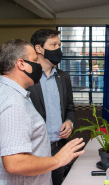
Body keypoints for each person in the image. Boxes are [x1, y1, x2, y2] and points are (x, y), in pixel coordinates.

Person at [0, 39, 85, 185]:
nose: (38, 65)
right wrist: (58, 159)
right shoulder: (12, 103)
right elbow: (15, 163)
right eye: (34, 60)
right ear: (21, 64)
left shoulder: (2, 91)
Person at [27, 29, 75, 185]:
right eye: (53, 45)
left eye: (59, 45)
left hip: (58, 148)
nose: (58, 49)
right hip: (34, 150)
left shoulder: (64, 78)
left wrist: (69, 122)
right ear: (39, 48)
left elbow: (70, 107)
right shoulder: (26, 78)